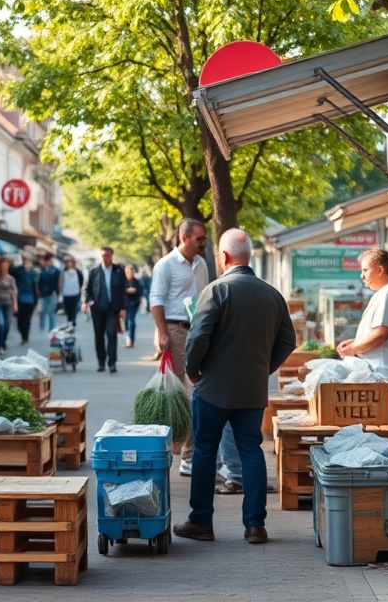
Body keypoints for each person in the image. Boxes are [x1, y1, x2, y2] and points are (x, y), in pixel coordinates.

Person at [173, 228, 296, 545]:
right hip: (252, 390)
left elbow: (198, 337)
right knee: (251, 452)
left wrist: (192, 369)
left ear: (224, 256)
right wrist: (263, 368)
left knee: (204, 452)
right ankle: (255, 525)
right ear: (249, 256)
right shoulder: (272, 294)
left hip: (213, 388)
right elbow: (288, 341)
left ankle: (201, 521)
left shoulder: (216, 291)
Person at [149, 219, 209, 472]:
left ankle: (183, 451)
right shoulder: (166, 265)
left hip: (198, 330)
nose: (203, 242)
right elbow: (156, 300)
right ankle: (186, 456)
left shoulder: (201, 264)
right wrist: (162, 333)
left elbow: (205, 296)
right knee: (187, 392)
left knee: (195, 390)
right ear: (184, 238)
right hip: (176, 331)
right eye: (199, 238)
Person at [337, 247, 388, 430]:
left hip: (386, 380)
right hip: (386, 380)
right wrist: (354, 343)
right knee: (385, 437)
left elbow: (380, 335)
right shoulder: (387, 293)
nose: (362, 276)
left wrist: (354, 349)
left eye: (365, 270)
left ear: (380, 270)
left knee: (385, 438)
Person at [82, 246, 127, 373]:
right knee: (99, 336)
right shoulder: (94, 271)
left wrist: (123, 307)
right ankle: (101, 362)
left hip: (113, 309)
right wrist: (87, 300)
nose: (105, 257)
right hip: (97, 308)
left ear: (111, 256)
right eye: (102, 255)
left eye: (107, 255)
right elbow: (87, 288)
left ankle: (112, 363)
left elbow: (123, 290)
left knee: (112, 334)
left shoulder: (118, 270)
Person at [10, 255, 40, 345]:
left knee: (27, 320)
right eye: (26, 260)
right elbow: (10, 272)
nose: (27, 262)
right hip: (19, 298)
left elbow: (36, 286)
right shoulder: (18, 270)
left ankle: (25, 337)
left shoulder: (33, 273)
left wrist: (36, 300)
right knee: (20, 319)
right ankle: (23, 334)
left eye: (29, 260)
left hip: (30, 299)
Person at [37, 253, 62, 332]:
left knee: (50, 311)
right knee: (43, 311)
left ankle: (52, 327)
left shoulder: (55, 270)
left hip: (52, 293)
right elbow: (39, 282)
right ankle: (42, 327)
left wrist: (58, 293)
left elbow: (58, 283)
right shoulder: (42, 270)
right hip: (44, 293)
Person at [61, 256, 85, 327]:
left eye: (70, 262)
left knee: (74, 308)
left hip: (75, 293)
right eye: (67, 262)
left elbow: (81, 280)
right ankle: (69, 320)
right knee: (67, 308)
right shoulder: (63, 272)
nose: (69, 264)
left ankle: (73, 320)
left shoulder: (78, 272)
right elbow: (61, 282)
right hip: (66, 293)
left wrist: (78, 289)